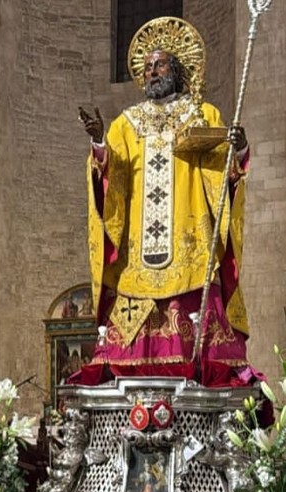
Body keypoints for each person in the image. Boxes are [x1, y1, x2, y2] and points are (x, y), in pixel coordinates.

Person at [69, 17, 260, 387]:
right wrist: (99, 145)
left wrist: (239, 148)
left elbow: (224, 178)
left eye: (158, 64)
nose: (151, 72)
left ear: (176, 69)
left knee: (197, 323)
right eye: (146, 68)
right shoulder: (125, 123)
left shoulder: (203, 115)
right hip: (136, 254)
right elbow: (111, 179)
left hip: (189, 248)